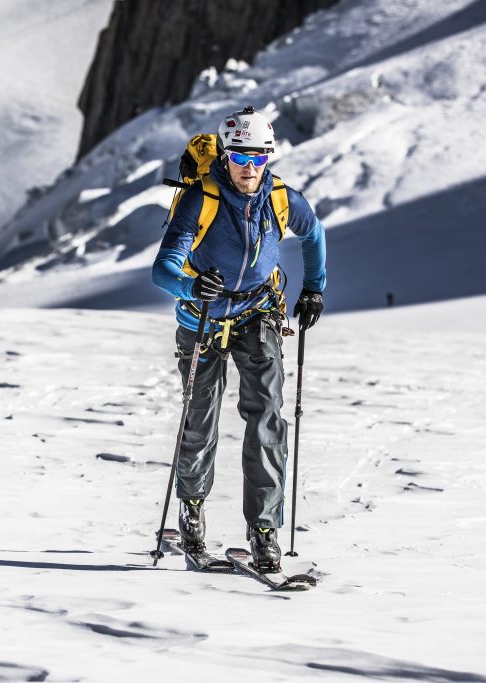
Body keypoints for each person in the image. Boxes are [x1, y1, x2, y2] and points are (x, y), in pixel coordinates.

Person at [151, 106, 327, 572]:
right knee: (200, 419)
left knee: (267, 418)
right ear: (226, 154)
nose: (251, 168)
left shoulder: (283, 198)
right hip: (202, 317)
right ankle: (191, 513)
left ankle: (264, 531)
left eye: (260, 158)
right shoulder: (201, 199)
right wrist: (191, 285)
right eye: (242, 157)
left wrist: (314, 288)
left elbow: (314, 234)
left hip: (257, 313)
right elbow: (163, 267)